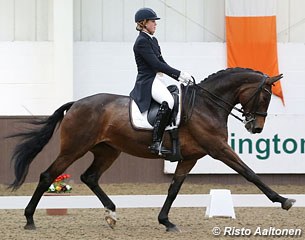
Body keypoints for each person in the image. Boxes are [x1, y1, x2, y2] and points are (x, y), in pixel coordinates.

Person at [130, 7, 193, 158]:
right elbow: (156, 65)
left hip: (157, 79)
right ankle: (156, 142)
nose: (155, 24)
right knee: (168, 101)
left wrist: (179, 76)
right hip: (147, 81)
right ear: (143, 23)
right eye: (152, 22)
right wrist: (179, 75)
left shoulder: (153, 40)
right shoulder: (141, 42)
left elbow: (161, 62)